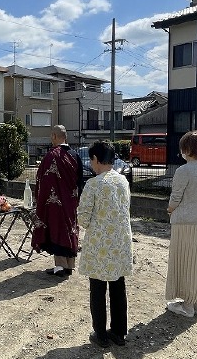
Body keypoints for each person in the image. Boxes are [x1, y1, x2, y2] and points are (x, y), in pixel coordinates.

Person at [77, 141, 134, 347]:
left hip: (100, 245)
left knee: (98, 289)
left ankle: (100, 334)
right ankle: (119, 333)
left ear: (95, 159)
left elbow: (83, 218)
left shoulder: (93, 184)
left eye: (91, 159)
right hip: (120, 242)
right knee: (118, 287)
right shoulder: (123, 181)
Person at [165, 130, 197, 318]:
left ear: (186, 149)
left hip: (185, 223)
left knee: (184, 262)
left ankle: (187, 306)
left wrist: (169, 209)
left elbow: (175, 197)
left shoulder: (183, 170)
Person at [31, 125, 83, 276]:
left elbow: (43, 179)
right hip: (71, 202)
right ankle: (69, 266)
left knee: (57, 230)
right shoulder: (75, 155)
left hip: (55, 203)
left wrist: (41, 200)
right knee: (71, 229)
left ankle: (60, 267)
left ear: (54, 136)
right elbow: (80, 180)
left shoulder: (51, 156)